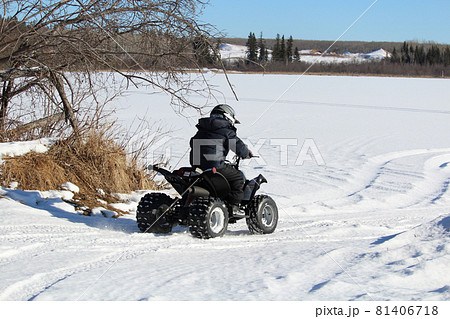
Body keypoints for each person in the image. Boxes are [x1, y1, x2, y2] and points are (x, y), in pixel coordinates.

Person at [189, 104, 252, 211]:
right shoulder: (225, 130)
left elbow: (192, 143)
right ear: (228, 117)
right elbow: (238, 147)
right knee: (238, 177)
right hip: (215, 166)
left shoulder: (202, 129)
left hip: (196, 167)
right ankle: (233, 206)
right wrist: (246, 153)